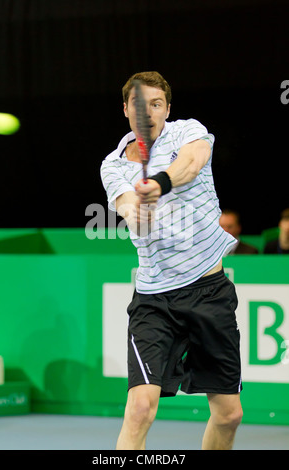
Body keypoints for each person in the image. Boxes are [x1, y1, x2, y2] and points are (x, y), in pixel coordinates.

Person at [100, 71, 243, 450]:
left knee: (229, 415)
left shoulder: (187, 132)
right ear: (126, 108)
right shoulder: (112, 165)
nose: (148, 112)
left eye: (157, 104)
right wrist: (139, 211)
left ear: (167, 109)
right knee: (140, 408)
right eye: (140, 104)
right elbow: (127, 206)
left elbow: (193, 162)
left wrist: (159, 183)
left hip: (209, 291)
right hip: (154, 299)